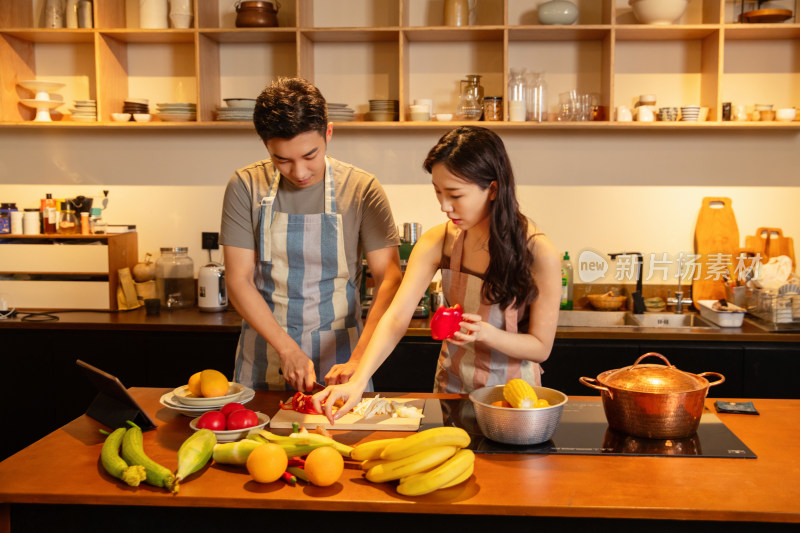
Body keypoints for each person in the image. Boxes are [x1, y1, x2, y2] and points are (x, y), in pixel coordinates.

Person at [314, 126, 562, 421]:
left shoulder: (539, 252)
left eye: (455, 195)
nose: (445, 206)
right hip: (451, 389)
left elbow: (541, 347)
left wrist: (487, 334)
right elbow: (395, 318)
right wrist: (358, 381)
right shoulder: (439, 240)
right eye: (438, 192)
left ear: (493, 189)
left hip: (513, 400)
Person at [220, 77, 402, 392]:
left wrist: (360, 358)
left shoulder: (361, 189)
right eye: (282, 160)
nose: (300, 172)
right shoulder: (245, 186)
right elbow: (238, 281)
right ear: (265, 144)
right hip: (265, 354)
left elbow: (390, 279)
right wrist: (286, 348)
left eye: (309, 156)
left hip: (344, 357)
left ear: (328, 133)